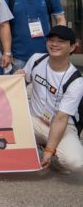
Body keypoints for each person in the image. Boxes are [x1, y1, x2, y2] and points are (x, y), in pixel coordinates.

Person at [16, 26, 83, 173]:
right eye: (51, 40)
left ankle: (54, 152)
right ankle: (39, 146)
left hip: (63, 126)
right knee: (6, 124)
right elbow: (20, 85)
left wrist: (49, 150)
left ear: (72, 47)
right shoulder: (36, 59)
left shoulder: (75, 81)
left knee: (75, 162)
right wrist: (17, 77)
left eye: (61, 41)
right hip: (34, 120)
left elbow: (61, 118)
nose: (54, 44)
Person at [2, 0, 66, 70]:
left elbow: (60, 19)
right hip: (18, 57)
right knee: (19, 82)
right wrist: (7, 52)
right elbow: (3, 25)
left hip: (45, 55)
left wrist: (57, 44)